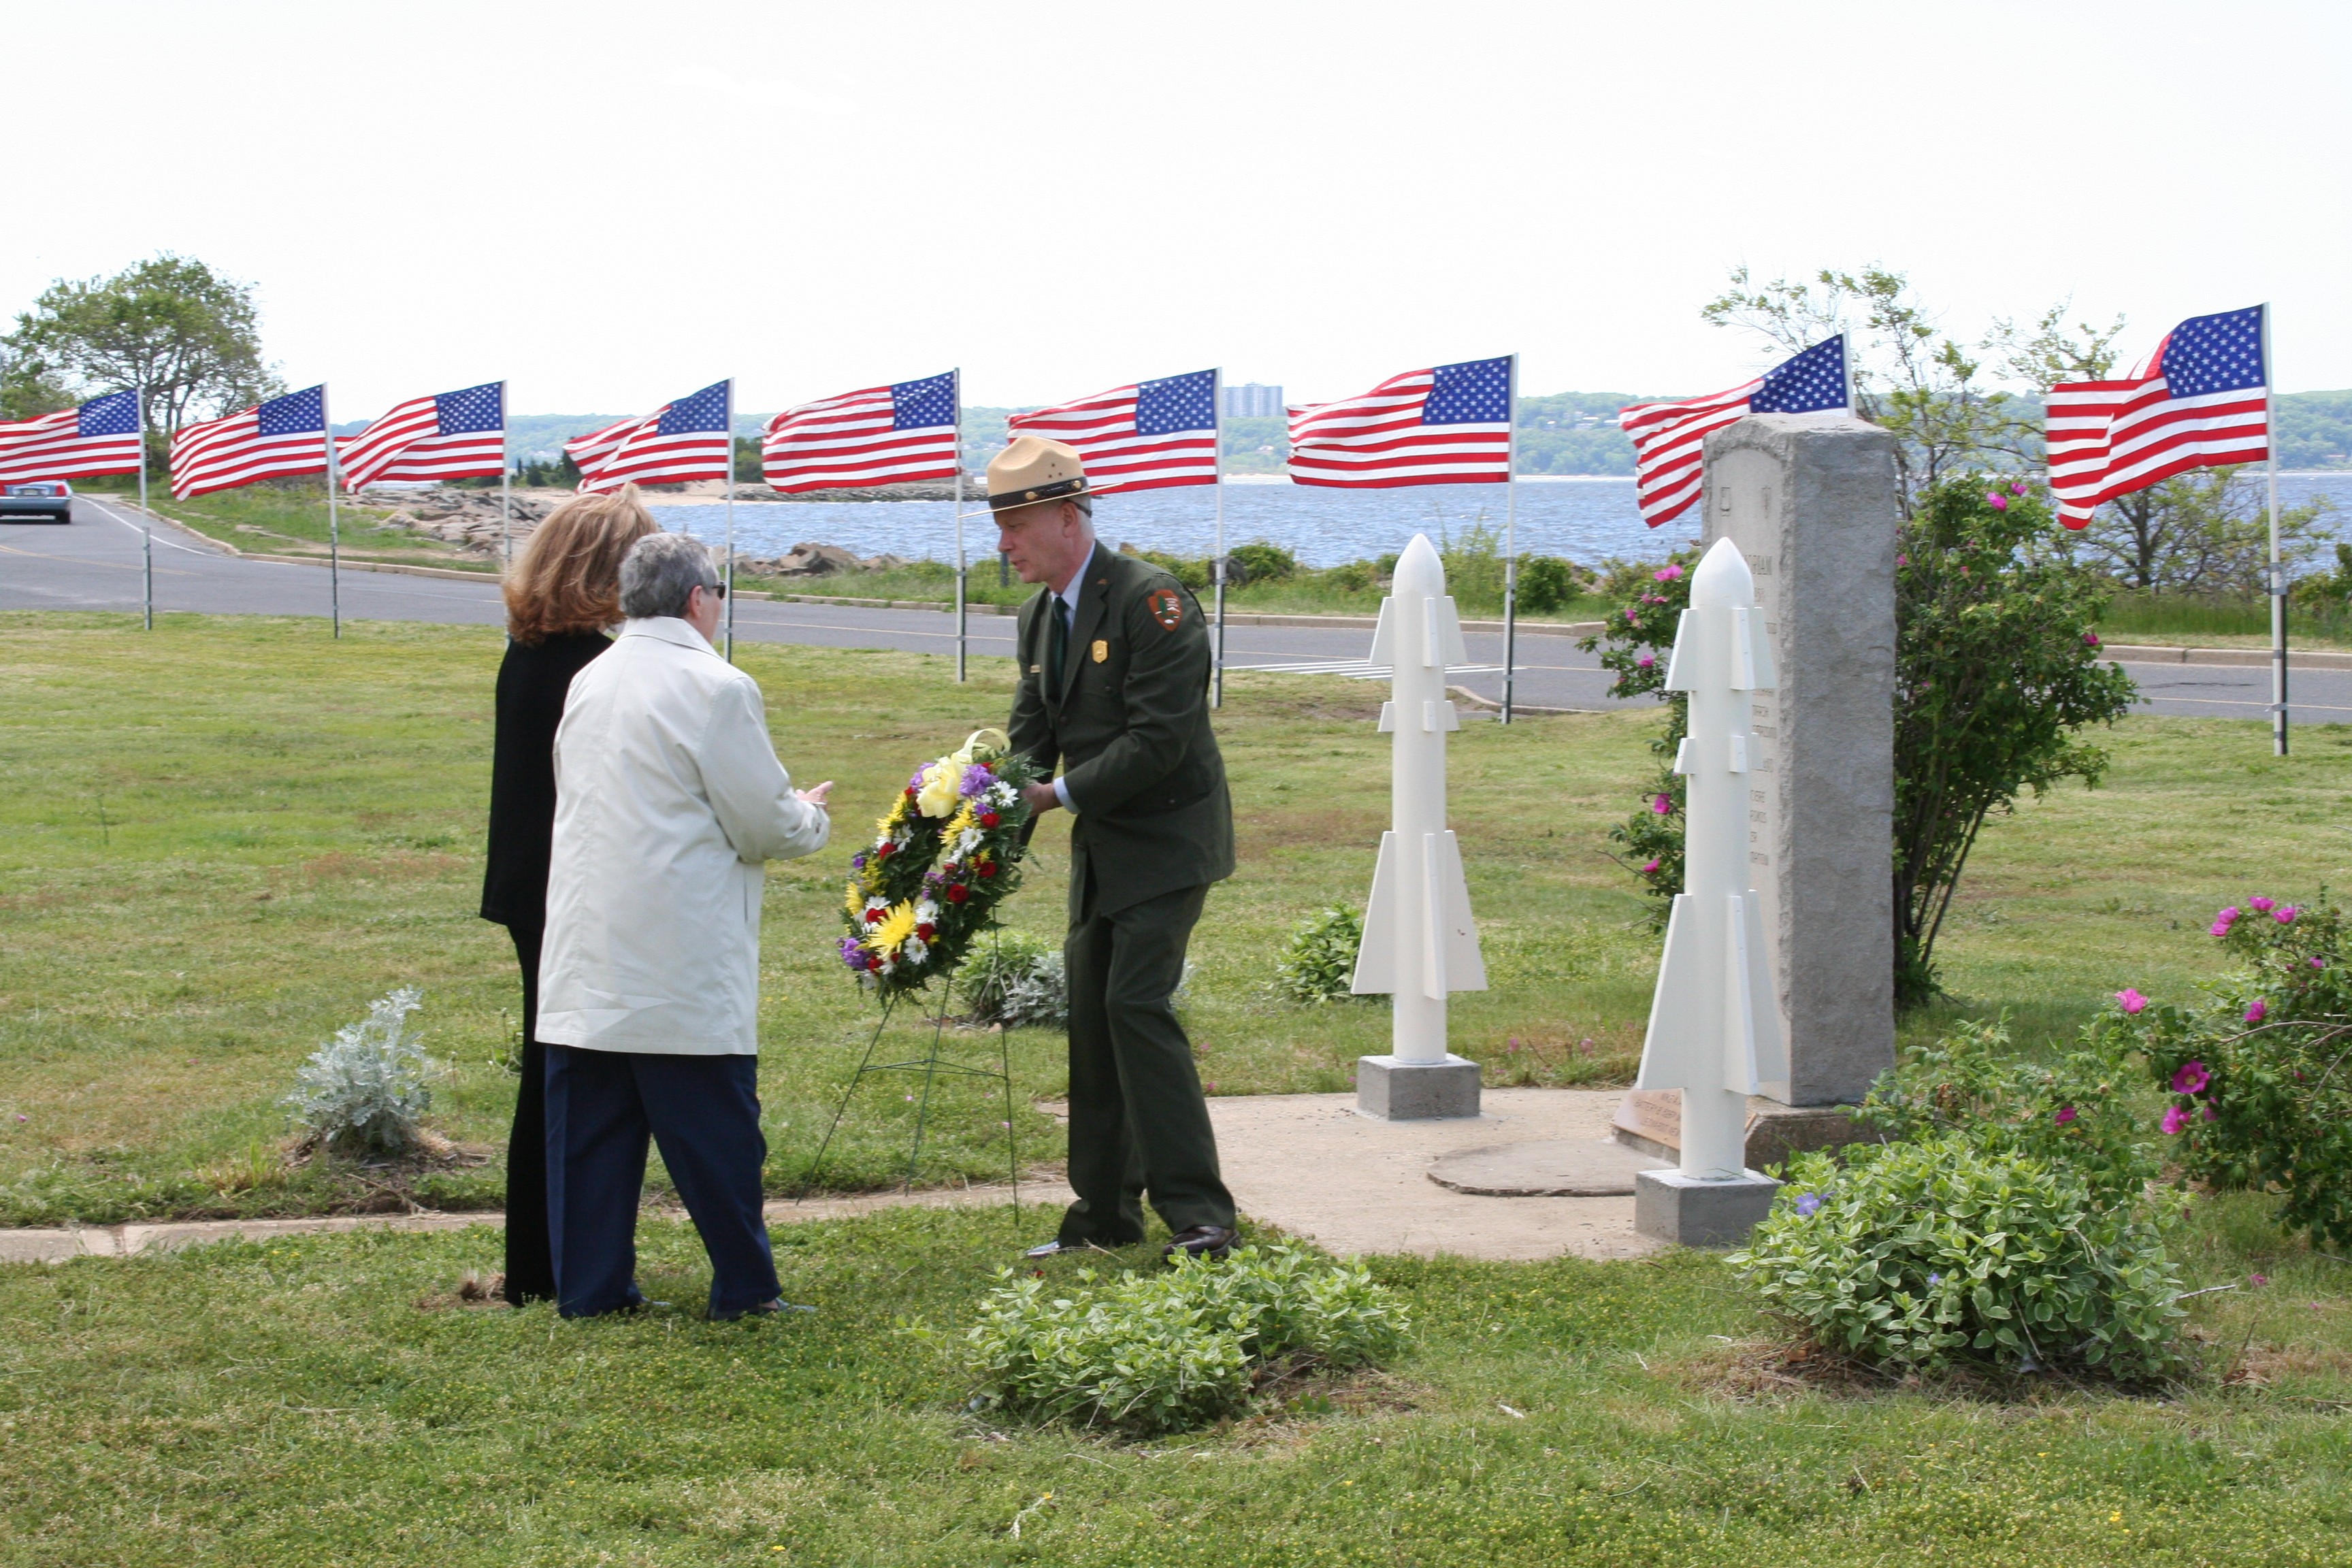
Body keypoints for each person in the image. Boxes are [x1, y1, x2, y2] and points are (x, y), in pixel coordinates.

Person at [535, 530, 834, 1319]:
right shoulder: (717, 687)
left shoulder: (591, 679)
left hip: (588, 944)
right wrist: (808, 815)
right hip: (676, 949)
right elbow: (761, 823)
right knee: (716, 1135)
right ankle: (745, 1286)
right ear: (700, 599)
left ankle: (592, 1289)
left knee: (592, 1136)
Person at [992, 435, 1240, 1261]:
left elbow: (1160, 738)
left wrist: (1059, 796)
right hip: (1104, 845)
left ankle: (1202, 1215)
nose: (1005, 544)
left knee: (1135, 1004)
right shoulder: (1040, 616)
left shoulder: (1151, 601)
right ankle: (1104, 1214)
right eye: (1001, 527)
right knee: (1095, 1016)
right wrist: (981, 855)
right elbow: (1030, 743)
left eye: (1017, 526)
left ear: (1068, 517)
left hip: (1169, 839)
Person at [479, 485, 659, 1306]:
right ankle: (543, 1264)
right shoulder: (588, 666)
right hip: (565, 886)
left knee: (553, 1067)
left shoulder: (530, 651)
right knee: (562, 1075)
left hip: (532, 882)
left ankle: (543, 1259)